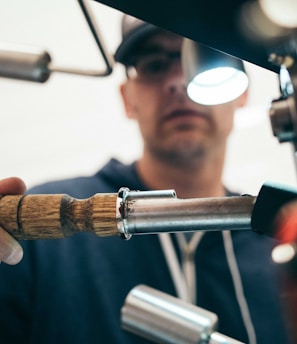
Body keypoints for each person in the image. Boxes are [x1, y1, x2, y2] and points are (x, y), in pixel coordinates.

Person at [0, 14, 290, 344]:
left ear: (242, 91)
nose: (178, 81)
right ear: (127, 98)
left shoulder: (279, 245)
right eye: (154, 65)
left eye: (204, 59)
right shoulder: (42, 231)